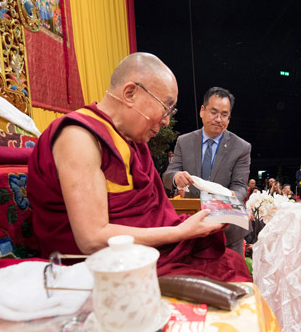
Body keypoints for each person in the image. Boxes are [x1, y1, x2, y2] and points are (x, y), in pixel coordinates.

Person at [28, 52, 250, 282]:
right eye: (165, 108)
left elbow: (152, 212)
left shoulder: (132, 142)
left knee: (232, 263)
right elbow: (91, 239)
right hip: (101, 265)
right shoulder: (79, 137)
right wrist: (179, 232)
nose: (165, 121)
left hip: (145, 253)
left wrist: (210, 217)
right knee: (230, 275)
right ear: (130, 93)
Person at [162, 87, 251, 255]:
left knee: (229, 279)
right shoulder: (184, 141)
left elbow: (240, 187)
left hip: (227, 230)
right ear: (202, 111)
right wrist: (176, 177)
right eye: (214, 112)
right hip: (191, 227)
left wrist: (230, 196)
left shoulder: (241, 147)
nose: (218, 119)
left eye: (224, 115)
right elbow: (167, 175)